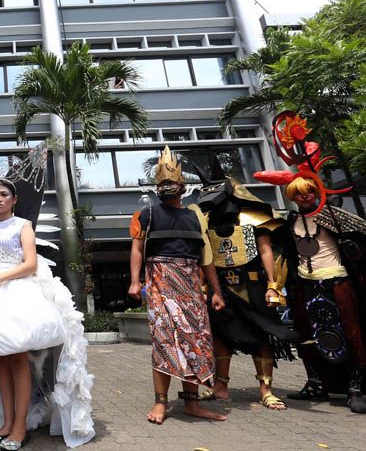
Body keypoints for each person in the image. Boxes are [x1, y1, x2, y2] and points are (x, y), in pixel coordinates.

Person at [0, 178, 95, 450]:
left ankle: (20, 426)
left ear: (14, 199)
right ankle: (6, 422)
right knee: (0, 361)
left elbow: (30, 265)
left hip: (16, 292)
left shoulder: (23, 226)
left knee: (18, 358)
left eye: (3, 194)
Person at [127, 146, 226, 424]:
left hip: (192, 286)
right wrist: (135, 282)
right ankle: (161, 403)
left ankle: (192, 404)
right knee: (164, 343)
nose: (166, 186)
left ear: (182, 186)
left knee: (194, 342)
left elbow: (206, 258)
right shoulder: (146, 213)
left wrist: (216, 291)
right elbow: (137, 249)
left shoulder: (196, 217)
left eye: (171, 182)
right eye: (162, 183)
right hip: (160, 283)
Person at [193, 163, 298, 410]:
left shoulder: (252, 216)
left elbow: (265, 249)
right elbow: (203, 257)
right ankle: (220, 386)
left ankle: (266, 389)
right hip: (221, 287)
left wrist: (273, 285)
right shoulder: (205, 221)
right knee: (220, 337)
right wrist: (203, 287)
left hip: (253, 284)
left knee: (261, 334)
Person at [280, 177, 366, 413]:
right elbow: (288, 254)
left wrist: (356, 250)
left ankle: (355, 387)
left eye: (309, 192)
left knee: (352, 333)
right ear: (292, 197)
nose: (304, 197)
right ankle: (315, 383)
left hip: (337, 281)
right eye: (299, 194)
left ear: (316, 193)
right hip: (305, 283)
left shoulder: (333, 216)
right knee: (305, 335)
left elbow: (361, 244)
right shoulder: (291, 222)